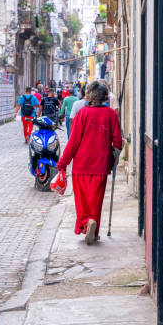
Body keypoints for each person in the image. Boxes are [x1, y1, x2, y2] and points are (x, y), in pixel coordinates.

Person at [57, 81, 122, 244]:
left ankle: (86, 223)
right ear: (104, 96)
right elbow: (118, 143)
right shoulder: (111, 114)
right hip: (101, 165)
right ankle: (94, 229)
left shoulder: (83, 114)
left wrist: (63, 163)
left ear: (89, 95)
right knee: (96, 200)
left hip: (81, 165)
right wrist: (112, 161)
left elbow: (73, 141)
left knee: (82, 200)